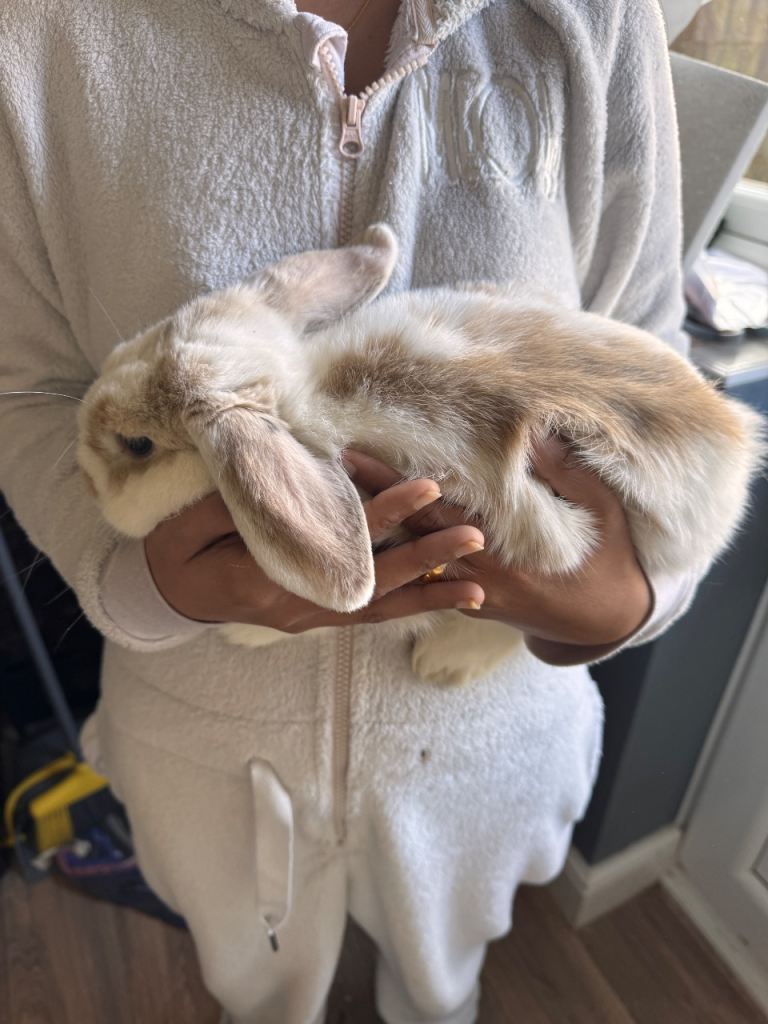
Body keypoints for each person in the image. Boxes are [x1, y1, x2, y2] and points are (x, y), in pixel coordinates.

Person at [0, 1, 699, 1021]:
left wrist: (635, 597)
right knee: (255, 987)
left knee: (443, 990)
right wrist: (140, 585)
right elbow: (23, 390)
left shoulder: (591, 20)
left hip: (490, 746)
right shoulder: (37, 32)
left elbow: (652, 360)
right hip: (204, 753)